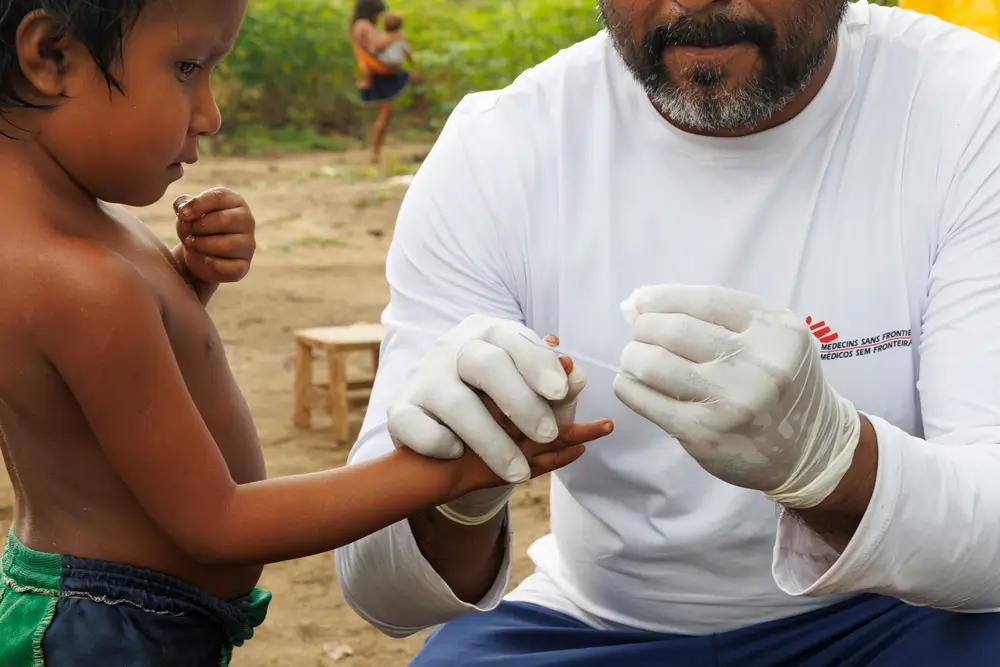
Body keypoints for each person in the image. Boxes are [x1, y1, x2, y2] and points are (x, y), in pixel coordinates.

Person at [334, 0, 1000, 665]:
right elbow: (384, 594)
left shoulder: (964, 106)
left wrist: (836, 464)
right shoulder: (504, 146)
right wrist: (458, 496)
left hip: (903, 611)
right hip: (596, 625)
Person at [0, 1, 610, 665]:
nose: (210, 114)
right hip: (107, 635)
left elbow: (101, 383)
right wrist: (452, 470)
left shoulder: (76, 230)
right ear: (51, 57)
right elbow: (218, 521)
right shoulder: (77, 279)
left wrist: (188, 279)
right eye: (186, 68)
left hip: (117, 614)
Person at [350, 0, 417, 164]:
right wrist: (395, 37)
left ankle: (375, 151)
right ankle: (375, 152)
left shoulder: (360, 25)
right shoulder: (363, 25)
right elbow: (376, 46)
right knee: (383, 115)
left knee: (384, 114)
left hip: (381, 71)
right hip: (378, 72)